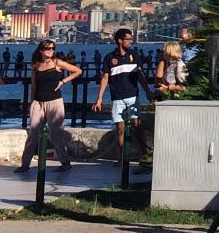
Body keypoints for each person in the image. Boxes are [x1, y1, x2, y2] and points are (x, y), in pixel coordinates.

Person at [17, 42, 79, 173]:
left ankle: (65, 162)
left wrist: (63, 82)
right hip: (38, 103)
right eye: (47, 48)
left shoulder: (57, 63)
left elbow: (77, 71)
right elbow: (34, 86)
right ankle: (25, 164)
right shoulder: (36, 66)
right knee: (33, 134)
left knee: (56, 134)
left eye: (52, 48)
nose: (50, 50)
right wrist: (31, 103)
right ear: (41, 50)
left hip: (55, 102)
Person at [92, 28, 148, 131]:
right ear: (120, 40)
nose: (131, 41)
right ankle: (121, 147)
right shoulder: (109, 58)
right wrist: (99, 98)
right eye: (128, 39)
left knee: (136, 124)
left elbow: (140, 74)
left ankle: (141, 147)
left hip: (133, 96)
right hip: (117, 97)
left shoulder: (134, 55)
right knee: (120, 128)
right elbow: (105, 78)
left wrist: (147, 91)